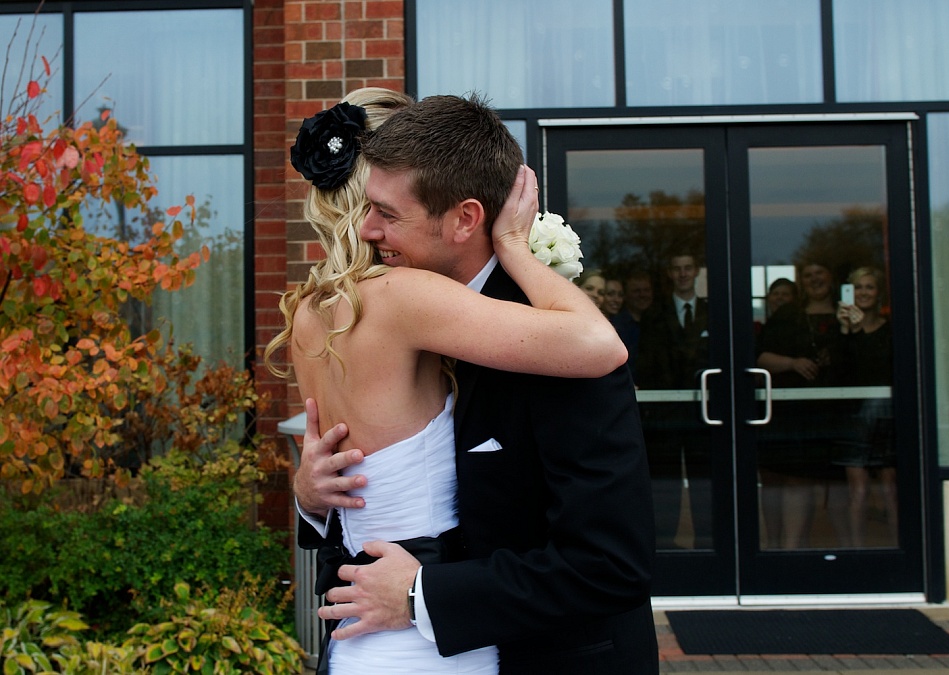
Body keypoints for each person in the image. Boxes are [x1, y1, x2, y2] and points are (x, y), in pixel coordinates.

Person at [266, 89, 633, 674]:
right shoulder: (394, 306)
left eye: (386, 213)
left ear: (463, 217)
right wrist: (312, 494)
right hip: (401, 639)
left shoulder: (321, 313)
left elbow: (610, 563)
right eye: (369, 207)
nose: (368, 230)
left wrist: (415, 592)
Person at [755, 261, 843, 549]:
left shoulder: (847, 313)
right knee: (781, 478)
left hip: (831, 410)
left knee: (809, 480)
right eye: (808, 275)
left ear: (831, 277)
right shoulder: (788, 315)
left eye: (820, 273)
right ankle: (777, 547)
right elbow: (760, 357)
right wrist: (793, 363)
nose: (815, 279)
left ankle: (795, 549)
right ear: (802, 282)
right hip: (788, 409)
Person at [637, 251, 711, 548]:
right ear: (669, 273)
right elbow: (646, 363)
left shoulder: (711, 311)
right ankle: (665, 545)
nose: (682, 274)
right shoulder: (655, 314)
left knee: (704, 483)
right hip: (666, 412)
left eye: (688, 267)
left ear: (696, 272)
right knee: (665, 484)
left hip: (702, 413)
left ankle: (708, 544)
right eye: (677, 268)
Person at [834, 266, 897, 547]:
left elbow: (881, 369)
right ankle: (858, 554)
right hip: (853, 417)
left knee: (890, 490)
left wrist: (860, 332)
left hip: (887, 417)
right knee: (857, 491)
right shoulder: (842, 331)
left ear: (879, 293)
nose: (863, 293)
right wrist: (847, 332)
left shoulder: (891, 330)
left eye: (869, 287)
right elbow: (840, 375)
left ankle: (900, 551)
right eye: (857, 288)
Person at [610, 269, 654, 383]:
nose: (642, 295)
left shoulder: (656, 322)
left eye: (646, 290)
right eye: (636, 291)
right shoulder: (616, 326)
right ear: (627, 295)